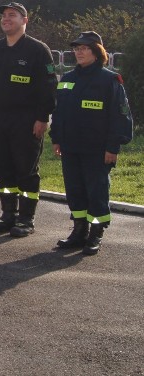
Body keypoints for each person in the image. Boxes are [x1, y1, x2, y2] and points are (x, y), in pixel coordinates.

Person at [51, 31, 133, 255]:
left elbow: (121, 115)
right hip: (70, 147)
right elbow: (59, 113)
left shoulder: (109, 80)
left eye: (84, 48)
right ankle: (79, 232)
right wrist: (56, 138)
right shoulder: (67, 80)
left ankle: (95, 234)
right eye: (76, 48)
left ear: (97, 52)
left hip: (97, 150)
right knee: (75, 191)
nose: (79, 52)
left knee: (96, 192)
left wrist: (113, 147)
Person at [0, 2, 57, 237]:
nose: (6, 19)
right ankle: (8, 215)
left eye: (12, 15)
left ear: (25, 20)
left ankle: (26, 219)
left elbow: (48, 86)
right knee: (2, 168)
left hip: (27, 120)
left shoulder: (38, 50)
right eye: (4, 16)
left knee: (26, 169)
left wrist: (42, 118)